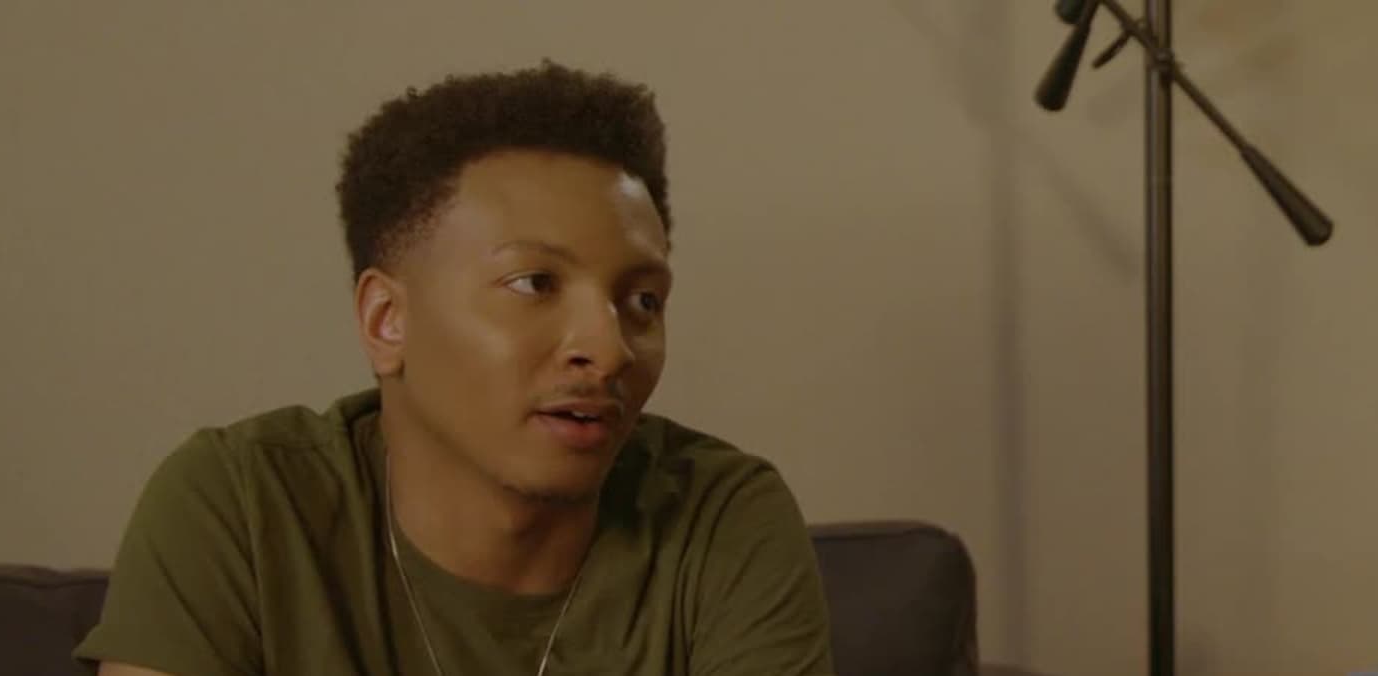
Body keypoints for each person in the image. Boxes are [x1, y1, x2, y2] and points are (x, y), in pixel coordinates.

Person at [76, 61, 837, 676]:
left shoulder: (721, 520)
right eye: (535, 284)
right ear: (387, 320)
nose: (609, 350)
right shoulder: (242, 506)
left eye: (641, 300)